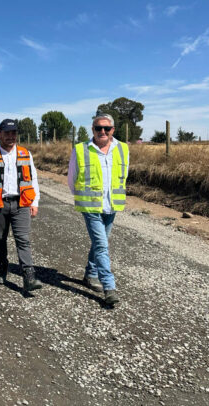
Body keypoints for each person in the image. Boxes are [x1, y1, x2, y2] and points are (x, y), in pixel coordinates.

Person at [68, 113, 129, 306]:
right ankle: (109, 287)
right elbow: (72, 178)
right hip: (91, 206)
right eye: (98, 128)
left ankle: (90, 274)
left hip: (112, 205)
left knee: (99, 243)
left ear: (113, 130)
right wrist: (83, 196)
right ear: (92, 130)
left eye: (106, 128)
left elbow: (124, 174)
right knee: (102, 245)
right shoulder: (81, 149)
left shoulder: (123, 149)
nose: (102, 131)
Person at [0, 119, 42, 296]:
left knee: (23, 239)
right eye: (7, 133)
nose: (11, 136)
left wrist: (35, 202)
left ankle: (29, 276)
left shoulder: (25, 153)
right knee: (0, 238)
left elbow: (33, 179)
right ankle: (2, 269)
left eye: (14, 133)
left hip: (22, 203)